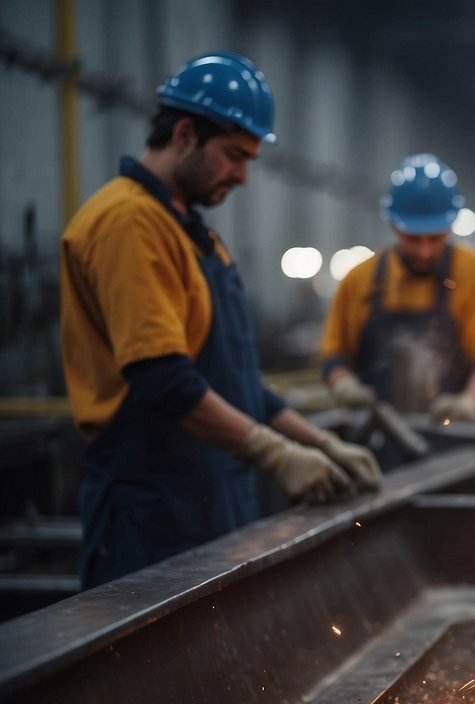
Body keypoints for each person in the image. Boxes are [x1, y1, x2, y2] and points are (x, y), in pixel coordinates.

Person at [59, 52, 380, 589]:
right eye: (234, 156)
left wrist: (319, 443)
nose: (244, 176)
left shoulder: (194, 232)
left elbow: (235, 383)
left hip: (213, 499)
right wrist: (276, 454)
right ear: (184, 134)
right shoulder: (129, 222)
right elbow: (163, 381)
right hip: (153, 513)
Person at [320, 154, 475, 423]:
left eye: (435, 237)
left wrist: (470, 401)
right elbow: (335, 355)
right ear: (393, 225)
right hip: (374, 431)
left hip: (457, 435)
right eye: (412, 238)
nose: (424, 251)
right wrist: (343, 384)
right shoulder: (359, 280)